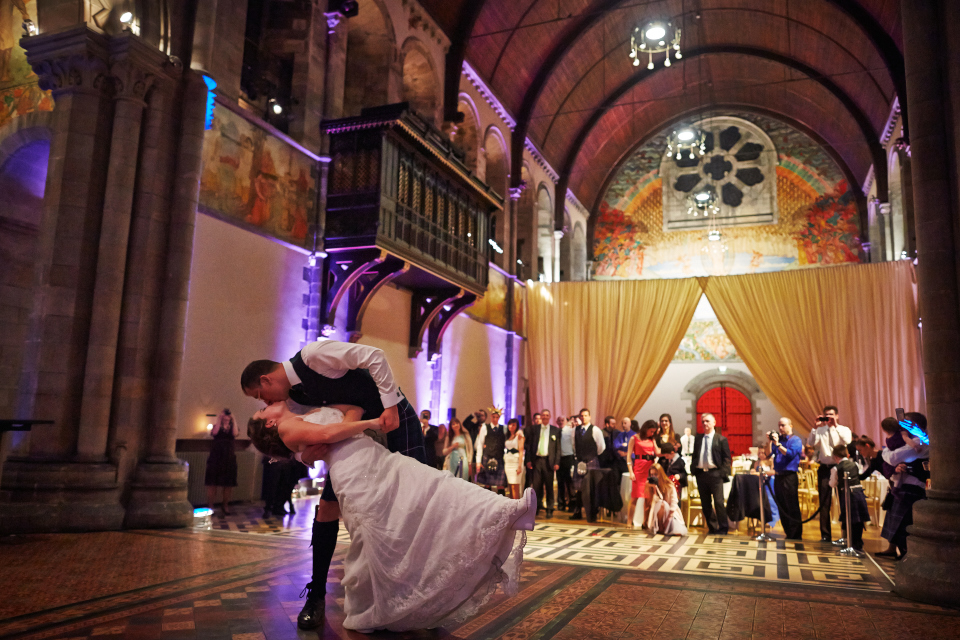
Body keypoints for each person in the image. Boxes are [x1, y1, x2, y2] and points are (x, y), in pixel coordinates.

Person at [248, 402, 535, 632]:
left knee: (434, 485)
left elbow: (352, 409)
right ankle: (374, 608)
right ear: (270, 423)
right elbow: (327, 434)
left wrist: (315, 447)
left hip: (375, 456)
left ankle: (507, 510)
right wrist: (369, 425)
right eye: (262, 409)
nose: (264, 403)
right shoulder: (288, 427)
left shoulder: (305, 407)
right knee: (376, 534)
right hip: (354, 470)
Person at [240, 339, 426, 630]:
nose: (264, 403)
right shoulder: (294, 396)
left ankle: (416, 593)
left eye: (260, 395)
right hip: (355, 445)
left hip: (396, 422)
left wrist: (389, 406)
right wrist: (303, 454)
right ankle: (315, 596)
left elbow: (374, 356)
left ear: (265, 379)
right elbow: (310, 429)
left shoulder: (313, 355)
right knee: (325, 509)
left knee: (413, 505)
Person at [880, 412, 929, 560]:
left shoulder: (921, 441)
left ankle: (906, 555)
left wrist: (885, 451)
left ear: (915, 426)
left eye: (906, 423)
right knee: (897, 520)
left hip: (912, 487)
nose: (902, 426)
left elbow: (894, 458)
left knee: (903, 524)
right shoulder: (911, 440)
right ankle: (897, 550)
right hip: (905, 486)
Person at [806, 405, 852, 542]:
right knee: (824, 503)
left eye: (831, 415)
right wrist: (815, 427)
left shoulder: (843, 429)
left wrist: (835, 426)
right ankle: (825, 535)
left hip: (840, 467)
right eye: (826, 415)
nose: (829, 417)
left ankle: (844, 535)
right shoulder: (820, 430)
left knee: (843, 501)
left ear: (837, 416)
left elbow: (847, 441)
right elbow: (811, 443)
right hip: (825, 468)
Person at [691, 413, 732, 535]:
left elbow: (727, 458)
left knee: (719, 502)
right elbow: (695, 456)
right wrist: (694, 469)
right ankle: (712, 528)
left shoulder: (721, 439)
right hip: (701, 474)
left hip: (715, 474)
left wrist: (723, 473)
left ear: (714, 423)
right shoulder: (698, 439)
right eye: (703, 421)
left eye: (707, 421)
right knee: (705, 503)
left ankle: (723, 528)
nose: (705, 424)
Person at [828, 444, 870, 552]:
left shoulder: (836, 468)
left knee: (850, 520)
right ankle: (856, 543)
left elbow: (832, 484)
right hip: (859, 493)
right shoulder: (854, 464)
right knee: (858, 520)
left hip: (848, 495)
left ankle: (853, 545)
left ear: (836, 457)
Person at [768, 417, 804, 540]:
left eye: (783, 425)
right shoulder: (779, 440)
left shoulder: (796, 440)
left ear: (790, 426)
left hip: (789, 476)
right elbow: (769, 454)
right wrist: (770, 441)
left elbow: (789, 454)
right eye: (779, 425)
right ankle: (788, 532)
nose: (780, 428)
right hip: (778, 475)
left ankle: (796, 534)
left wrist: (777, 444)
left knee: (791, 505)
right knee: (781, 504)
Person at [570, 409, 605, 520]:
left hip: (591, 462)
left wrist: (591, 458)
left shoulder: (595, 430)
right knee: (579, 488)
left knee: (591, 489)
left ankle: (592, 513)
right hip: (579, 463)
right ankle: (577, 512)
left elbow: (601, 447)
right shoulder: (574, 430)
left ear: (590, 417)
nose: (583, 418)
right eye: (582, 416)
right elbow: (574, 446)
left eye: (586, 415)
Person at [525, 409, 560, 517]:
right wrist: (528, 460)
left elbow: (558, 448)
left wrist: (557, 462)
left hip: (549, 461)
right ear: (540, 416)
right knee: (536, 486)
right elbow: (529, 446)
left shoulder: (555, 430)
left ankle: (550, 508)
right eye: (543, 415)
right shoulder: (534, 429)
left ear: (549, 417)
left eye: (547, 415)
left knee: (549, 486)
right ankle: (536, 508)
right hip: (537, 461)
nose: (544, 417)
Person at [205, 408, 239, 516]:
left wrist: (233, 419)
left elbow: (235, 433)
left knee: (228, 484)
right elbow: (214, 433)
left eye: (228, 415)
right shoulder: (216, 426)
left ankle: (225, 505)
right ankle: (210, 506)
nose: (226, 417)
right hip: (216, 457)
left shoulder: (232, 427)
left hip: (228, 458)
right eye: (225, 415)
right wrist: (219, 419)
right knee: (212, 483)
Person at [627, 420, 660, 528]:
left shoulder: (652, 439)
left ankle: (645, 522)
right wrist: (631, 471)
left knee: (648, 498)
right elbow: (628, 457)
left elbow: (657, 452)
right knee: (635, 497)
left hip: (649, 469)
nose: (652, 433)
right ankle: (629, 521)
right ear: (646, 429)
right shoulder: (634, 438)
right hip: (639, 468)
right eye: (651, 431)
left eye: (653, 432)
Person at [646, 463, 688, 536]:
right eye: (651, 475)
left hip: (670, 513)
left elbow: (674, 502)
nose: (653, 477)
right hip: (657, 513)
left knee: (662, 504)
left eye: (656, 474)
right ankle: (660, 527)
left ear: (661, 474)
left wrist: (669, 518)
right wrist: (654, 490)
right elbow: (652, 503)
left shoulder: (669, 485)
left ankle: (666, 527)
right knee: (661, 504)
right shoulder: (650, 486)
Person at [475, 408, 508, 492]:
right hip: (487, 457)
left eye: (497, 417)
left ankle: (501, 503)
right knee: (487, 484)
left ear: (499, 418)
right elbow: (480, 444)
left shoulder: (503, 428)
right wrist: (478, 461)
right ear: (490, 416)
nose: (495, 419)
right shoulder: (485, 427)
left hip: (499, 458)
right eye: (493, 417)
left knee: (501, 485)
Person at [503, 418, 525, 499]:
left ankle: (516, 507)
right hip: (508, 462)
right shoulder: (507, 436)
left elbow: (521, 451)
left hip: (515, 463)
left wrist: (520, 466)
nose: (511, 426)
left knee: (515, 486)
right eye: (510, 424)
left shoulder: (519, 435)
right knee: (509, 486)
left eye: (513, 425)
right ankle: (511, 505)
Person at [556, 415, 575, 512]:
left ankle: (572, 504)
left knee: (569, 483)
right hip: (559, 459)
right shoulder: (555, 431)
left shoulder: (571, 430)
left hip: (568, 458)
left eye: (562, 420)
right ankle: (561, 504)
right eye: (559, 420)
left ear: (566, 421)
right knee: (560, 483)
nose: (560, 422)